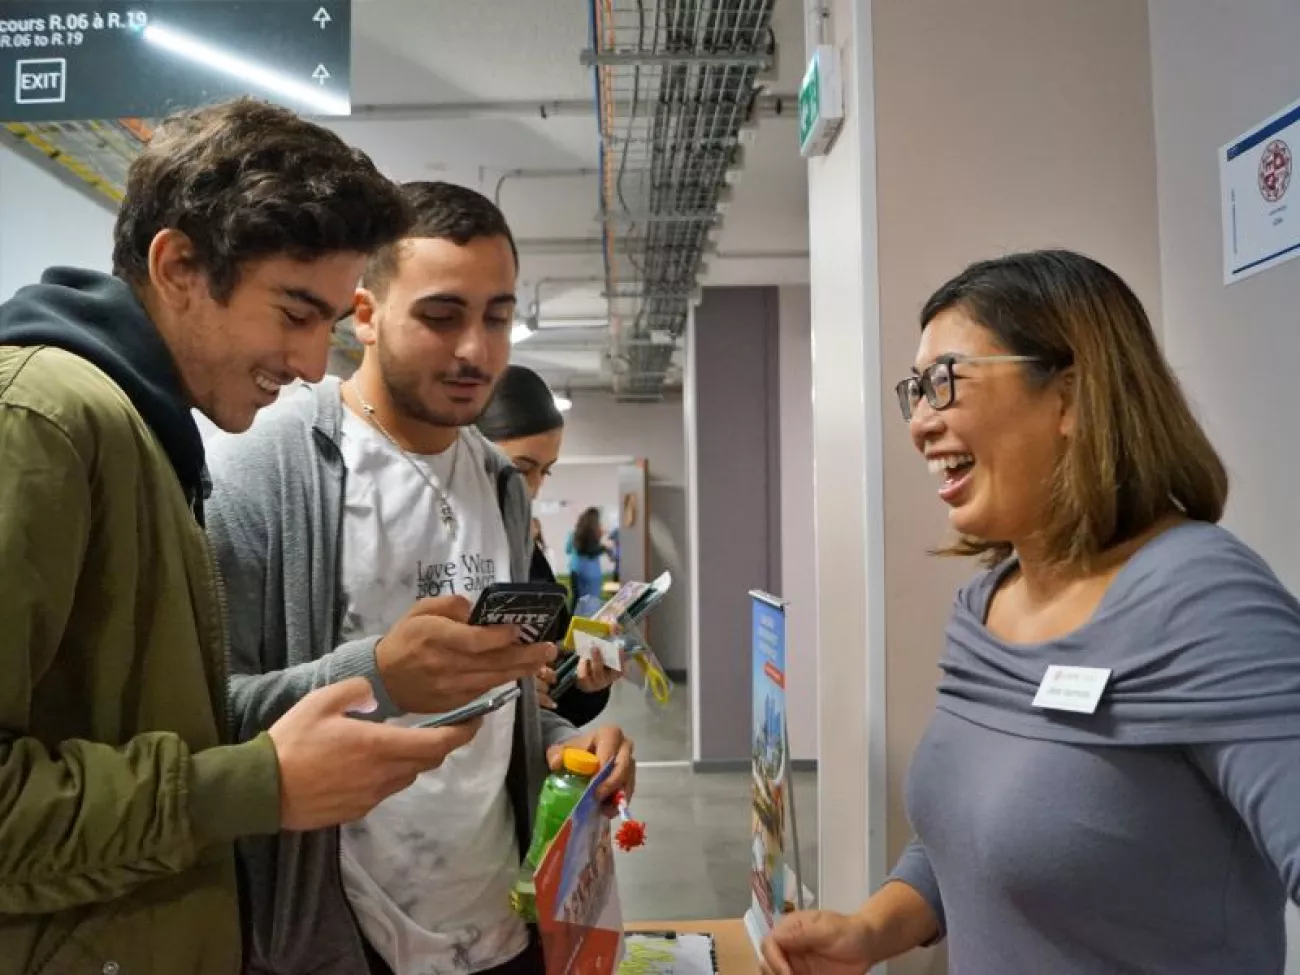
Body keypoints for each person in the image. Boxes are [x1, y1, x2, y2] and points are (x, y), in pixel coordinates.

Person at [0, 98, 482, 975]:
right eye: (294, 313)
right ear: (179, 264)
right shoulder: (46, 422)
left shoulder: (143, 432)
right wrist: (255, 784)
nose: (308, 363)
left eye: (328, 326)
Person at [763, 250, 1300, 975]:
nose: (920, 421)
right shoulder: (985, 605)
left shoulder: (1204, 600)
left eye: (945, 381)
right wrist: (869, 931)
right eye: (914, 391)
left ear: (1071, 397)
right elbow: (971, 834)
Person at [205, 181, 635, 975]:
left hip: (503, 924)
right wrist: (379, 676)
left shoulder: (500, 484)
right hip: (341, 939)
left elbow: (500, 699)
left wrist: (569, 741)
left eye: (498, 316)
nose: (476, 350)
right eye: (442, 316)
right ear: (364, 314)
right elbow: (199, 716)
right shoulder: (263, 469)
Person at [477, 363, 620, 724]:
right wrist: (497, 688)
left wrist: (588, 682)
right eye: (522, 469)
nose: (535, 488)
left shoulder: (529, 557)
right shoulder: (429, 550)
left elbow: (559, 698)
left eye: (546, 470)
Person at [568, 507, 611, 603]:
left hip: (577, 569)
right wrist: (605, 547)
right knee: (590, 603)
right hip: (590, 571)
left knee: (578, 602)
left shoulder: (579, 531)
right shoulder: (592, 534)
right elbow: (591, 551)